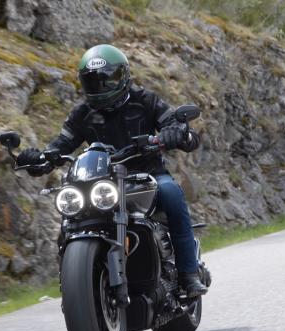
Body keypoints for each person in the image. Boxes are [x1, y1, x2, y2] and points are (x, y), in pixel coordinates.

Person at [16, 44, 207, 297]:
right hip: (100, 181)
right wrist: (40, 158)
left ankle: (188, 274)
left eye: (107, 80)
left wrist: (176, 133)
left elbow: (178, 128)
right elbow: (61, 144)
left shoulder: (145, 101)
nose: (101, 87)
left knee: (171, 193)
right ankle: (77, 288)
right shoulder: (82, 113)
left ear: (123, 76)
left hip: (146, 176)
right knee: (70, 220)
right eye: (93, 82)